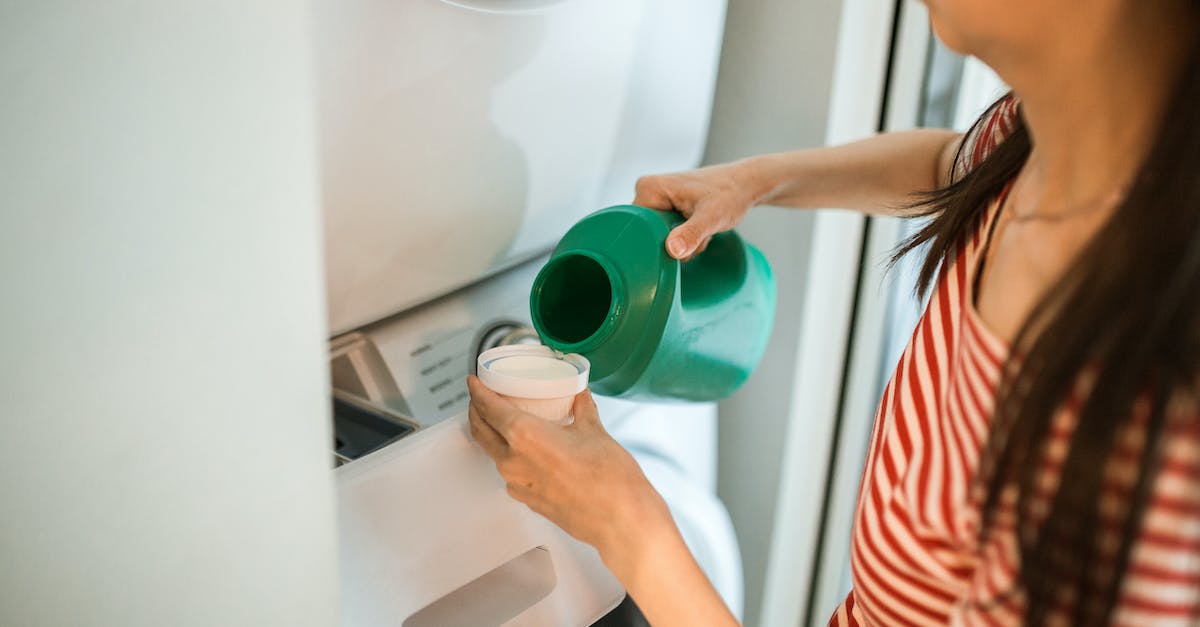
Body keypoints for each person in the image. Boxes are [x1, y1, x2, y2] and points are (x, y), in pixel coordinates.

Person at [466, 0, 1200, 624]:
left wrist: (629, 526)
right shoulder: (1036, 146)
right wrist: (760, 181)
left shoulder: (1143, 425)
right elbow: (954, 165)